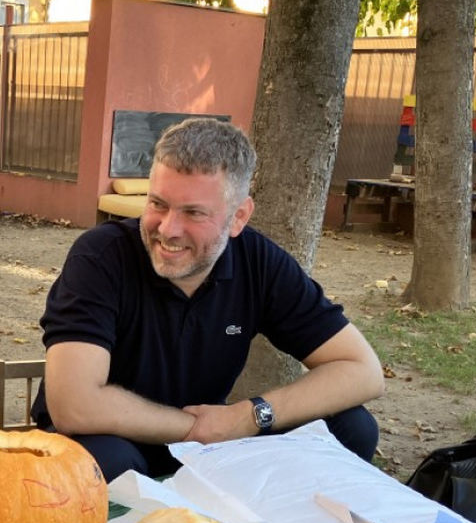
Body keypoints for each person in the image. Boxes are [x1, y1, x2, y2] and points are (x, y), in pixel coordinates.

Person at [32, 117, 385, 483]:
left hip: (207, 450)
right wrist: (198, 428)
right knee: (110, 460)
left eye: (193, 213)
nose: (167, 229)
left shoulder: (259, 262)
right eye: (158, 204)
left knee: (352, 427)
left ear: (238, 217)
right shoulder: (101, 256)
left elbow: (364, 372)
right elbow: (74, 406)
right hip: (108, 440)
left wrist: (249, 416)